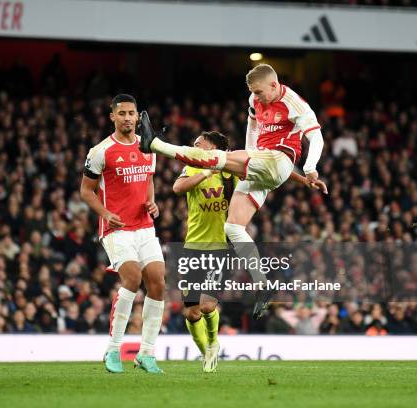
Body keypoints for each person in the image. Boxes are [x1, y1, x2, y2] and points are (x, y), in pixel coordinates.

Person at [139, 64, 327, 318]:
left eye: (260, 92)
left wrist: (311, 168)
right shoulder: (255, 98)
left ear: (274, 85)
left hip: (279, 160)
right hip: (264, 163)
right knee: (233, 228)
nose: (256, 97)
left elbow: (317, 138)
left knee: (213, 158)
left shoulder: (295, 103)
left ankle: (154, 144)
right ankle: (263, 285)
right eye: (253, 92)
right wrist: (252, 152)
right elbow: (252, 124)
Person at [80, 94, 166, 374]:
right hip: (116, 229)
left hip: (144, 226)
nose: (128, 118)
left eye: (132, 113)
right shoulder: (100, 151)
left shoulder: (148, 145)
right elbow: (85, 191)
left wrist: (151, 201)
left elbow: (148, 180)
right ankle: (113, 349)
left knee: (158, 281)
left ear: (138, 116)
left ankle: (147, 353)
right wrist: (105, 213)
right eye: (123, 113)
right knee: (132, 277)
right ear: (113, 117)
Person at [172, 131, 236, 372]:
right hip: (193, 247)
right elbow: (178, 187)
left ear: (213, 148)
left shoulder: (231, 173)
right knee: (191, 313)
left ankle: (214, 342)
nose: (194, 146)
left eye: (199, 144)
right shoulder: (193, 168)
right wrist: (207, 172)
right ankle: (206, 353)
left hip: (221, 248)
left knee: (208, 306)